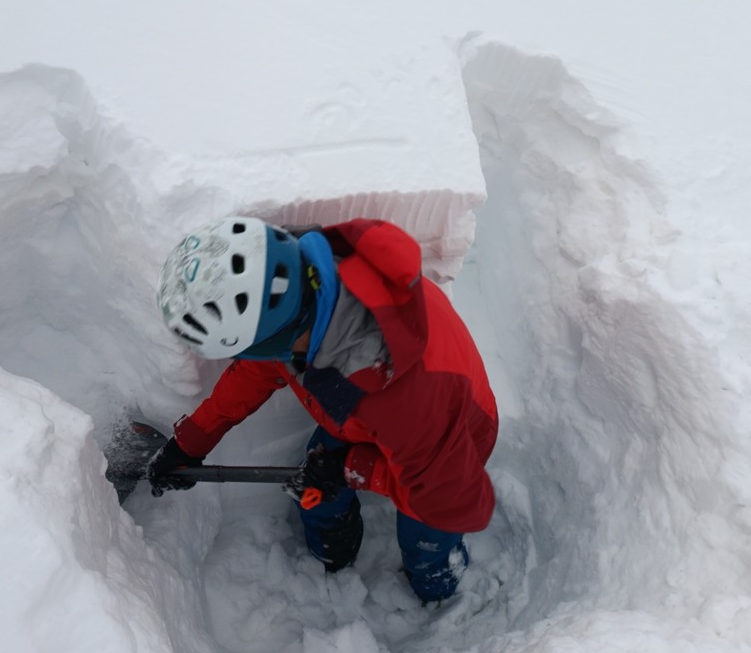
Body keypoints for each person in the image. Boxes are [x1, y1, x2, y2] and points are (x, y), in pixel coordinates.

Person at [149, 216, 498, 603]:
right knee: (316, 493)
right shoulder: (305, 299)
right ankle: (334, 560)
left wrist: (354, 469)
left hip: (447, 442)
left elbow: (460, 502)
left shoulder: (411, 399)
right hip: (359, 415)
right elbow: (255, 374)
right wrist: (191, 442)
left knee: (427, 541)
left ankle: (437, 590)